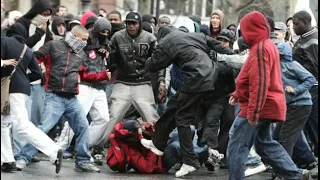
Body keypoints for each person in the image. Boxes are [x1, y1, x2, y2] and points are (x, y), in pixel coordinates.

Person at [140, 25, 235, 178]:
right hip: (208, 75)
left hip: (195, 78)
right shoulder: (192, 35)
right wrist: (232, 54)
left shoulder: (165, 43)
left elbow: (154, 65)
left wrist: (147, 58)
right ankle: (158, 143)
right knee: (173, 106)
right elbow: (214, 43)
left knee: (182, 118)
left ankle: (190, 160)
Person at [226, 11, 309, 180]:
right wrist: (238, 92)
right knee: (265, 145)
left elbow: (260, 83)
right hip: (265, 104)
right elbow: (252, 76)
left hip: (257, 106)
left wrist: (254, 112)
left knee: (237, 148)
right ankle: (295, 175)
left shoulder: (260, 49)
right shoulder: (265, 45)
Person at [14, 25, 100, 172]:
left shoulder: (80, 53)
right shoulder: (54, 45)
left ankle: (83, 161)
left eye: (86, 40)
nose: (85, 43)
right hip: (54, 96)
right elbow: (34, 57)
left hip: (72, 98)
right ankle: (23, 158)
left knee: (83, 126)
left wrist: (102, 75)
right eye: (83, 39)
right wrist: (37, 72)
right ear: (74, 36)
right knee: (43, 129)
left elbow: (84, 73)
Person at [1, 23, 63, 173]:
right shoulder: (27, 50)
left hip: (9, 89)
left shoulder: (4, 41)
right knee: (3, 124)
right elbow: (37, 74)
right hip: (23, 89)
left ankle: (54, 151)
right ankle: (8, 160)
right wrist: (22, 79)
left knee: (21, 125)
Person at [56, 18, 112, 165]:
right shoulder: (85, 42)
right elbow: (80, 65)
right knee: (76, 117)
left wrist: (106, 54)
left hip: (99, 86)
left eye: (107, 32)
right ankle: (58, 148)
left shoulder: (106, 43)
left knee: (103, 119)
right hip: (85, 85)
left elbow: (109, 63)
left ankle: (83, 148)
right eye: (103, 31)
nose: (105, 34)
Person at [105, 12, 163, 138]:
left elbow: (159, 61)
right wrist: (109, 54)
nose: (131, 26)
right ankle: (99, 145)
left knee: (151, 116)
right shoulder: (117, 37)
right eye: (128, 23)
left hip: (143, 82)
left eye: (134, 23)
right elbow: (110, 62)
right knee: (113, 115)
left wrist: (161, 80)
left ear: (139, 24)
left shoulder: (149, 38)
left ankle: (160, 146)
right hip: (123, 82)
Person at [274, 42, 316, 162]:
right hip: (291, 106)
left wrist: (296, 90)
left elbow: (310, 79)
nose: (279, 57)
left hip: (299, 105)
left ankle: (286, 169)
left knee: (285, 138)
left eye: (280, 54)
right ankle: (305, 160)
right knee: (279, 136)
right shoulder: (276, 66)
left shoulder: (292, 65)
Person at [292, 10, 318, 159]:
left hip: (312, 88)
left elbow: (313, 68)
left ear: (306, 23)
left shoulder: (312, 40)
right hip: (307, 88)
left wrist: (293, 69)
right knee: (309, 126)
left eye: (296, 24)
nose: (293, 27)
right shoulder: (303, 38)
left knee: (314, 126)